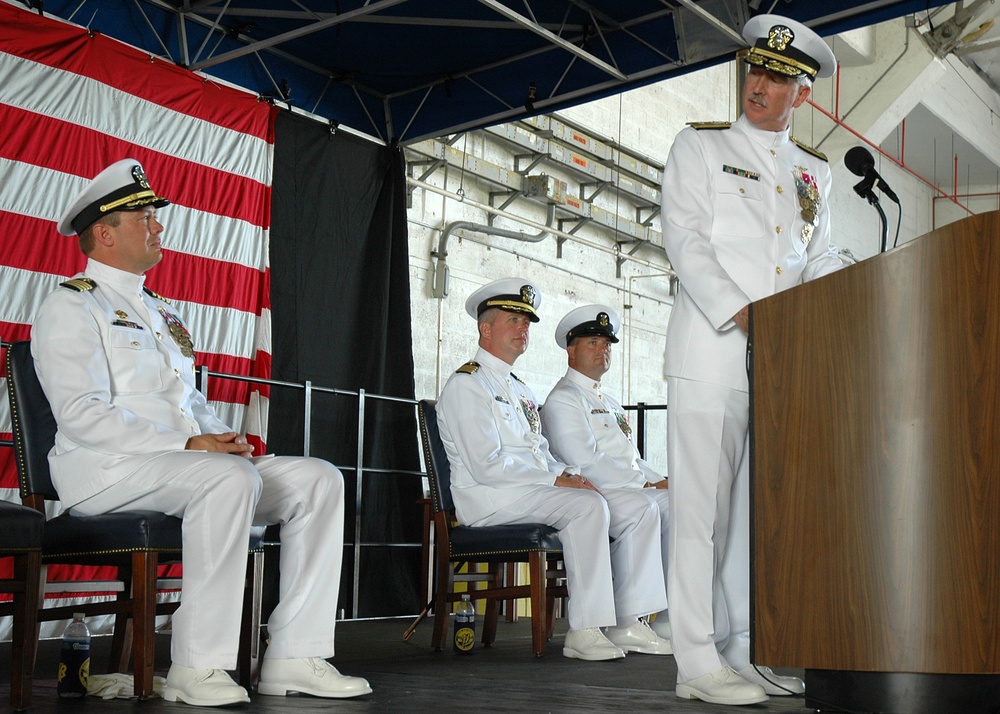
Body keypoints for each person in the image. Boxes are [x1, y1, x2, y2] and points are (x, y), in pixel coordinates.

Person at [32, 159, 372, 707]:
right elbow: (81, 414)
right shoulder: (71, 305)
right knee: (227, 480)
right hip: (106, 472)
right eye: (145, 217)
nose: (158, 227)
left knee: (318, 479)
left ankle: (295, 655)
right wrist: (194, 447)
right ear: (104, 232)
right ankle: (198, 665)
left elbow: (189, 402)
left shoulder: (162, 313)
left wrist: (220, 435)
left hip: (184, 465)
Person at [660, 14, 845, 706]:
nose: (759, 85)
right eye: (755, 71)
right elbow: (685, 242)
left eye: (777, 78)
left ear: (804, 94)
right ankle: (696, 661)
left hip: (779, 369)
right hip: (711, 354)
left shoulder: (813, 173)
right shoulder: (700, 148)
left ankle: (744, 649)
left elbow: (816, 260)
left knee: (752, 518)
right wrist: (748, 313)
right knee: (701, 514)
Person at [436, 278, 670, 661]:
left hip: (523, 492)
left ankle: (620, 623)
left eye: (526, 322)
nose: (523, 329)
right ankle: (585, 630)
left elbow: (541, 453)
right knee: (588, 507)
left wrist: (567, 475)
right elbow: (486, 464)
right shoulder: (467, 385)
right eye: (513, 320)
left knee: (593, 499)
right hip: (489, 498)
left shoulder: (520, 389)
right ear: (486, 329)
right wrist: (556, 479)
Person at [541, 304, 672, 651]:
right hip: (596, 491)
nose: (603, 350)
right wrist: (643, 486)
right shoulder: (564, 400)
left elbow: (632, 458)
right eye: (592, 343)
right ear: (571, 351)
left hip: (622, 487)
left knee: (679, 505)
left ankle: (671, 616)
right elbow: (583, 460)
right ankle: (628, 621)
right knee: (644, 509)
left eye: (607, 344)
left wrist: (660, 479)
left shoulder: (609, 402)